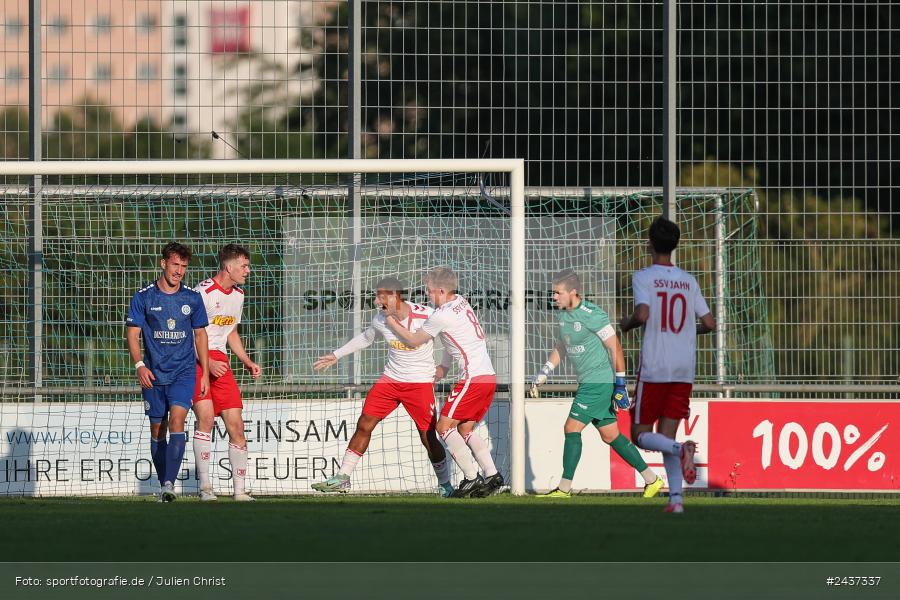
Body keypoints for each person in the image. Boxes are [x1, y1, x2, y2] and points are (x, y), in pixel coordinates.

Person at [311, 277, 453, 496]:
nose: (377, 301)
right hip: (390, 381)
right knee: (364, 423)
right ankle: (343, 477)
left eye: (380, 296)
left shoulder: (426, 315)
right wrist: (336, 355)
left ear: (395, 296)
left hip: (419, 384)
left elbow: (448, 338)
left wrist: (444, 366)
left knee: (427, 436)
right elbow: (366, 338)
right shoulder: (380, 319)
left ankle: (445, 485)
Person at [530, 268, 663, 499]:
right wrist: (545, 371)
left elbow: (615, 347)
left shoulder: (593, 314)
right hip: (588, 382)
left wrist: (620, 385)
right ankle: (652, 479)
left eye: (558, 292)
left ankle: (563, 488)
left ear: (573, 292)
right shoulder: (562, 315)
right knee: (610, 435)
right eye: (553, 293)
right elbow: (562, 345)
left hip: (597, 382)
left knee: (571, 428)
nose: (554, 297)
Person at [620, 217, 717, 513]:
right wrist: (686, 331)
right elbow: (710, 323)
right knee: (666, 435)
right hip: (683, 369)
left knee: (639, 435)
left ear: (650, 243)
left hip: (656, 367)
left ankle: (680, 451)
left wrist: (626, 324)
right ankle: (676, 500)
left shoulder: (644, 277)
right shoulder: (688, 280)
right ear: (675, 246)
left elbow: (644, 313)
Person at [384, 267, 503, 498]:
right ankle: (492, 474)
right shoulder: (461, 301)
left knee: (443, 427)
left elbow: (414, 340)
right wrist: (444, 367)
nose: (428, 295)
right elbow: (452, 339)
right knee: (465, 428)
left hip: (472, 378)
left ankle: (470, 478)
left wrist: (392, 322)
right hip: (487, 376)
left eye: (429, 291)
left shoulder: (442, 315)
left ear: (440, 290)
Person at [126, 242, 209, 502]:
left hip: (183, 372)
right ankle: (164, 485)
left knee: (177, 421)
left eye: (184, 266)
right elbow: (133, 334)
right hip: (153, 374)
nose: (179, 271)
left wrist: (204, 373)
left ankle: (170, 484)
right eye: (175, 264)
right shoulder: (144, 296)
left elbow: (200, 335)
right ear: (163, 264)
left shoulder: (192, 298)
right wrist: (140, 365)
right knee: (157, 430)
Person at [192, 244, 262, 502]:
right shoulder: (203, 292)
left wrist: (246, 360)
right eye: (244, 266)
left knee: (237, 427)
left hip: (221, 363)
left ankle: (239, 492)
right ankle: (206, 489)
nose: (248, 271)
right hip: (197, 360)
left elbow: (231, 331)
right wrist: (206, 363)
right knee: (206, 420)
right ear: (228, 266)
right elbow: (191, 333)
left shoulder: (238, 295)